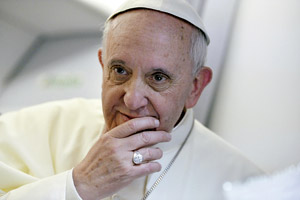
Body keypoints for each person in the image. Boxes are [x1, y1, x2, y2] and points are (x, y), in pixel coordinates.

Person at [0, 0, 262, 199]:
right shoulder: (36, 127)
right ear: (103, 66)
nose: (133, 99)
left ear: (195, 87)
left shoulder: (245, 183)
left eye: (158, 77)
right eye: (120, 71)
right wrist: (77, 186)